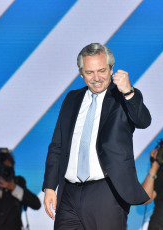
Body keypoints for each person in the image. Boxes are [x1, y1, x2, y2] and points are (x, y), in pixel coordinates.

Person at [42, 43, 152, 230]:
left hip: (106, 192)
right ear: (81, 74)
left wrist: (128, 91)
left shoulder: (123, 97)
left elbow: (143, 121)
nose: (96, 78)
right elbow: (57, 145)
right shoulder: (72, 98)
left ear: (111, 70)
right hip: (68, 194)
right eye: (89, 72)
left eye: (102, 70)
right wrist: (50, 186)